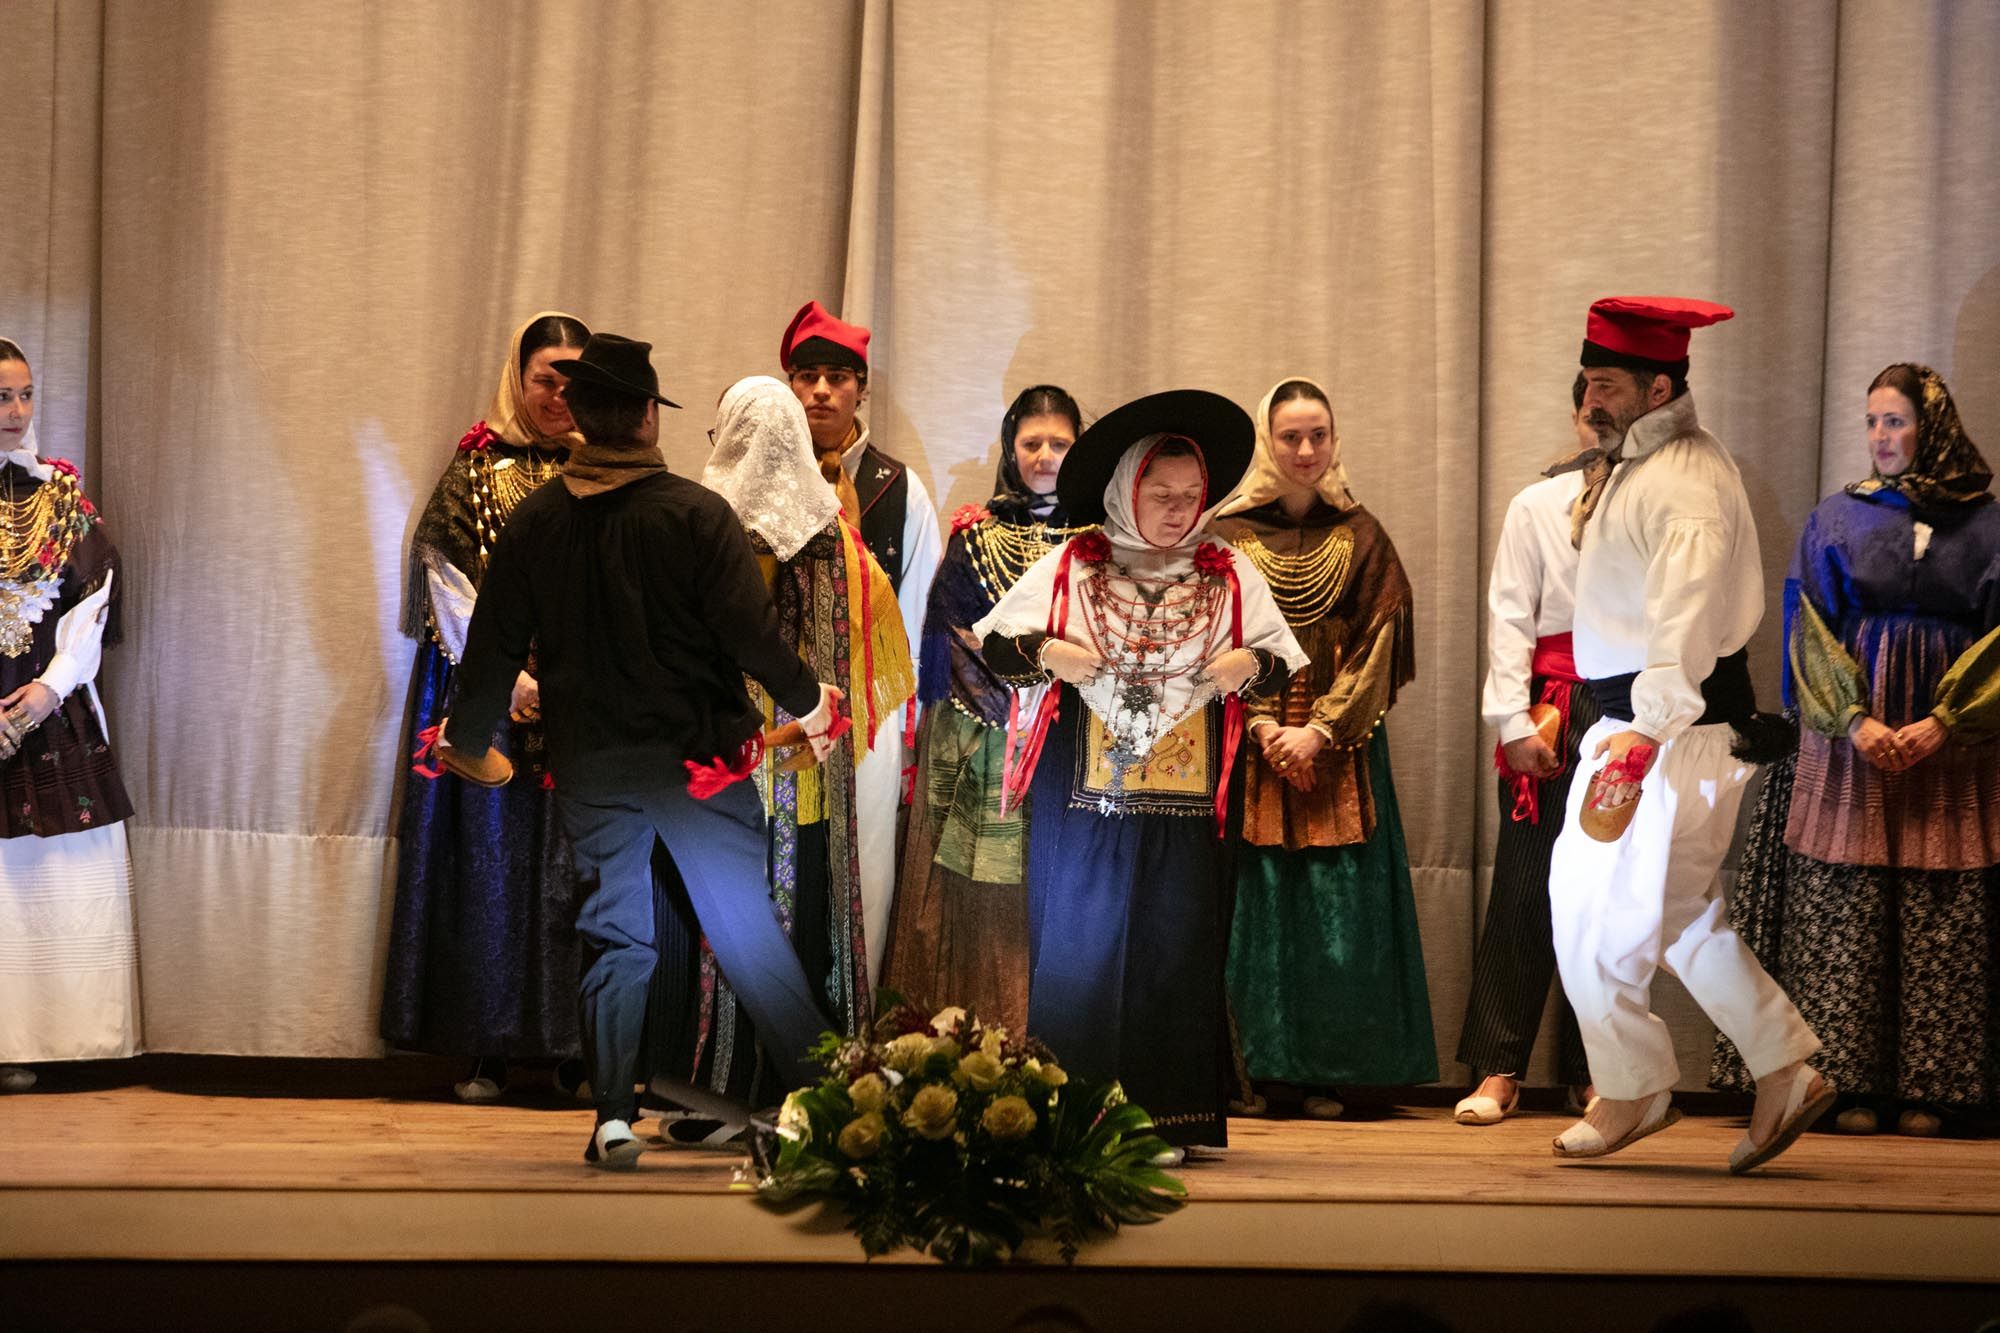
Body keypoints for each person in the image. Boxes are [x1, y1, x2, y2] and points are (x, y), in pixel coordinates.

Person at [437, 333, 840, 1169]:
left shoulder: (536, 519)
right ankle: (831, 1104)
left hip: (593, 767)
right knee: (746, 933)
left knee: (617, 938)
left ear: (578, 418)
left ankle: (612, 1118)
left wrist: (470, 740)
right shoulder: (698, 515)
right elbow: (752, 641)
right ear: (652, 415)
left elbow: (491, 647)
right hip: (703, 765)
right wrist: (812, 701)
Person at [975, 390, 1306, 1154]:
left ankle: (1170, 1118)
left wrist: (1247, 661)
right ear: (1126, 489)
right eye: (1160, 495)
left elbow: (1284, 656)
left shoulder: (1227, 572)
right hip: (1085, 802)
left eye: (1190, 496)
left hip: (1186, 811)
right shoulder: (1071, 566)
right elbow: (995, 644)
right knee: (1080, 947)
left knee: (1175, 948)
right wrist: (1046, 652)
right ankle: (1072, 1114)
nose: (1177, 510)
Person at [1543, 296, 1827, 1173]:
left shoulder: (1687, 481)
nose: (1591, 398)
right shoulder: (1638, 463)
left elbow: (1687, 611)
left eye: (1608, 384)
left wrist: (1649, 728)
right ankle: (1783, 1065)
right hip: (1651, 726)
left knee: (1591, 915)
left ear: (1657, 386)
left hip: (1662, 730)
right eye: (1588, 380)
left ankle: (1633, 1088)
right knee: (1673, 917)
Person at [1711, 363, 1999, 1136]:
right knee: (1849, 903)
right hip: (1854, 740)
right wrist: (1851, 717)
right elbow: (1809, 620)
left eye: (1896, 421)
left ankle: (1932, 1090)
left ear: (1931, 426)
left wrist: (1948, 718)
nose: (1881, 436)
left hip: (1954, 743)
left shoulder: (1987, 525)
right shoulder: (1838, 517)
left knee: (1939, 909)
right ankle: (1848, 1084)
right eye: (1873, 421)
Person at [647, 375, 913, 1118]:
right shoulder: (839, 540)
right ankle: (802, 1087)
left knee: (721, 920)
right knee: (791, 917)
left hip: (720, 762)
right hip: (804, 763)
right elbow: (870, 662)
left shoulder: (695, 530)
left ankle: (714, 1090)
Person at [381, 312, 592, 1103]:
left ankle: (578, 1048)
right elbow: (446, 579)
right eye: (546, 378)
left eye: (575, 380)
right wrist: (508, 679)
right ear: (519, 377)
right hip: (493, 704)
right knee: (491, 868)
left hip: (586, 707)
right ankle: (486, 1048)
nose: (559, 395)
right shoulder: (476, 471)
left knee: (583, 874)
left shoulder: (611, 473)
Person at [1213, 377, 1434, 1120]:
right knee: (1264, 904)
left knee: (1343, 902)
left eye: (1318, 435)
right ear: (1266, 443)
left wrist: (1323, 729)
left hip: (1341, 743)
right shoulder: (1229, 535)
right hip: (1253, 746)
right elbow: (1210, 641)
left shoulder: (1363, 535)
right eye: (1290, 437)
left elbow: (1382, 641)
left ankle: (1349, 1068)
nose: (1306, 450)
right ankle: (1268, 1069)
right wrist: (1264, 726)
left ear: (1334, 440)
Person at [881, 385, 1091, 1032]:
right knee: (974, 892)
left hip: (1068, 742)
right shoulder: (977, 534)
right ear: (1010, 447)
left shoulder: (1100, 540)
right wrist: (1007, 705)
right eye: (1033, 443)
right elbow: (946, 633)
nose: (1046, 456)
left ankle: (1058, 1034)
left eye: (1060, 443)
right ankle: (967, 1029)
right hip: (982, 736)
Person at [780, 301, 943, 989]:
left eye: (837, 377)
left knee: (866, 861)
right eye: (806, 374)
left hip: (869, 714)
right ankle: (769, 1031)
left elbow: (919, 605)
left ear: (861, 389)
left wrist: (900, 716)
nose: (821, 390)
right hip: (774, 707)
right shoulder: (761, 475)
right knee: (777, 860)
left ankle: (853, 1024)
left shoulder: (897, 488)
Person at [1452, 374, 1596, 1125]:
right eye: (1590, 405)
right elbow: (1510, 615)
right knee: (1525, 884)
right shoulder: (1536, 505)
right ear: (1575, 415)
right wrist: (1511, 720)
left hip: (1636, 703)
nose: (1602, 418)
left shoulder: (1667, 505)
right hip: (1556, 704)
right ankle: (1499, 1067)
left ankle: (1600, 1070)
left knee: (1612, 898)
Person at [0, 336, 139, 1093]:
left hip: (45, 707)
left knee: (37, 877)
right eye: (0, 397)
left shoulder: (60, 498)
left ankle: (42, 1038)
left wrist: (52, 686)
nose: (17, 413)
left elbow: (95, 600)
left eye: (25, 395)